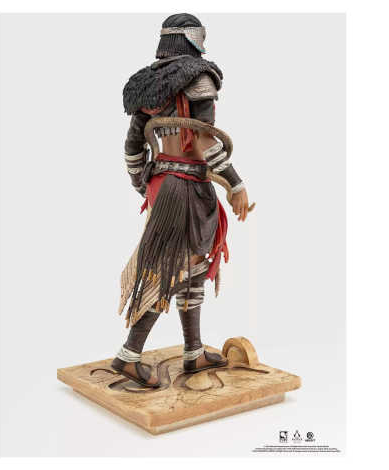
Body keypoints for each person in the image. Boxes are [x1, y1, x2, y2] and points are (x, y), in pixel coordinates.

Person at [111, 13, 249, 388]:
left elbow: (132, 147)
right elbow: (204, 139)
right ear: (193, 38)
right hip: (186, 189)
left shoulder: (147, 83)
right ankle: (129, 356)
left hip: (163, 186)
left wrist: (144, 184)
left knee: (193, 265)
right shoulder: (199, 77)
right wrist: (235, 183)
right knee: (173, 267)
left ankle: (193, 351)